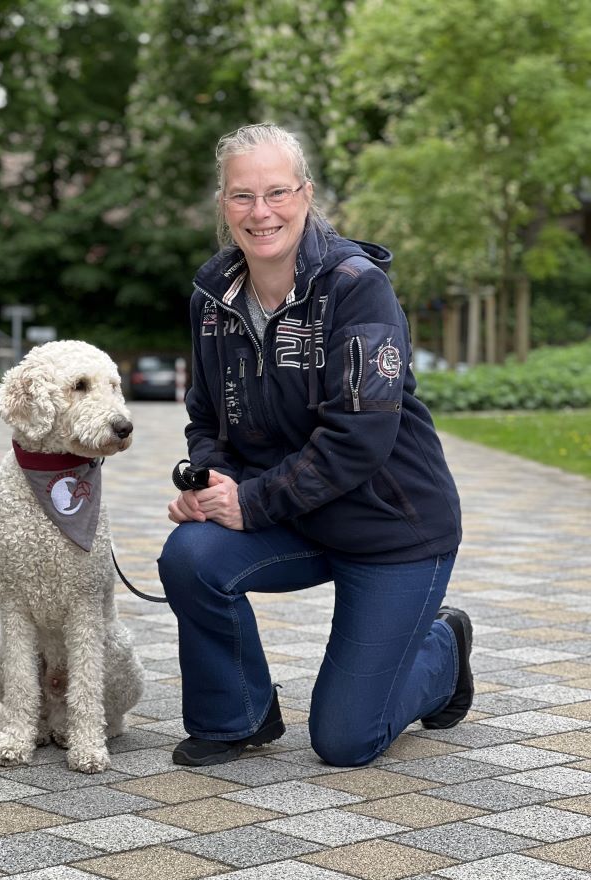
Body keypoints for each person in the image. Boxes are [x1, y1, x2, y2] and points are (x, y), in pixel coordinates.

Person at [158, 122, 473, 769]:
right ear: (223, 204)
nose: (261, 212)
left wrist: (251, 503)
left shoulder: (356, 287)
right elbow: (207, 416)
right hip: (296, 520)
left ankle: (441, 648)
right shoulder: (212, 300)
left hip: (390, 529)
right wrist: (213, 484)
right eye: (243, 196)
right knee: (191, 554)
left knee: (346, 740)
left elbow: (360, 437)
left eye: (277, 192)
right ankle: (236, 717)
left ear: (305, 194)